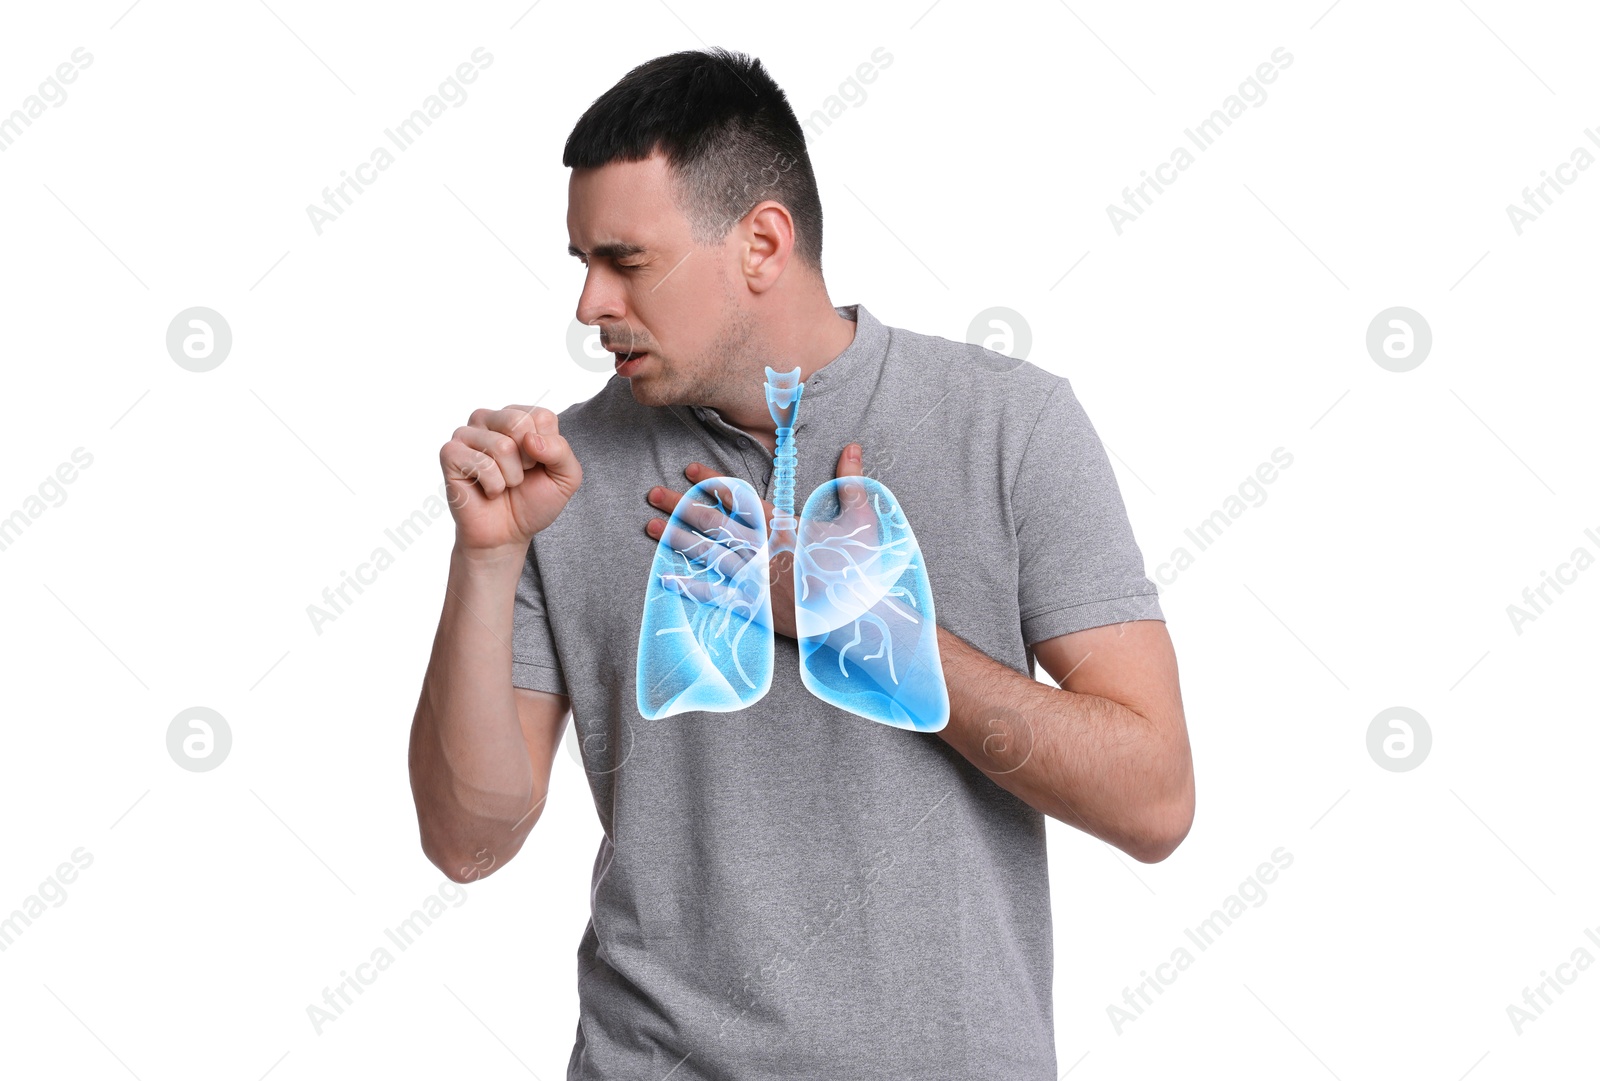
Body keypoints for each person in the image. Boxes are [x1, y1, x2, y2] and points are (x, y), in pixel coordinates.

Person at [407, 46, 1193, 1081]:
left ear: (762, 244)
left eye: (625, 260)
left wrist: (875, 630)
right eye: (581, 264)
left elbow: (1153, 801)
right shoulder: (563, 474)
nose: (590, 303)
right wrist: (488, 559)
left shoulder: (1010, 425)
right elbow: (470, 842)